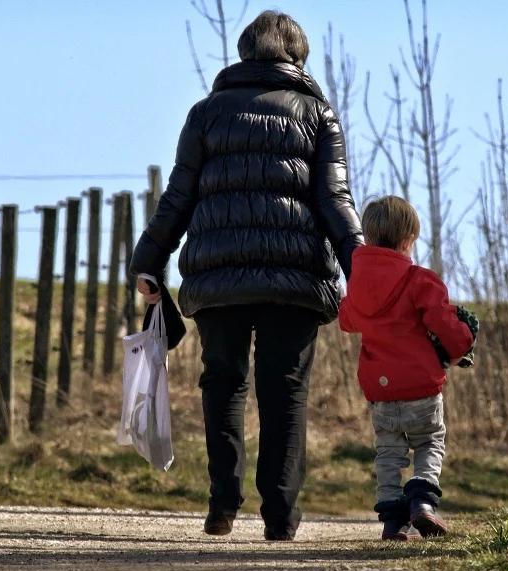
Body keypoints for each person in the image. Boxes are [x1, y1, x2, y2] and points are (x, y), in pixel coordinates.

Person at [129, 10, 363, 541]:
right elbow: (334, 200)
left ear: (243, 53)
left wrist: (149, 262)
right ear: (297, 57)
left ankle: (222, 505)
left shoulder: (205, 114)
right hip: (295, 281)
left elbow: (178, 198)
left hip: (220, 278)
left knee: (223, 384)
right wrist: (362, 266)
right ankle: (279, 516)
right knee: (285, 392)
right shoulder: (318, 115)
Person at [337, 196, 475, 541]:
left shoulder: (359, 285)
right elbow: (444, 325)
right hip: (420, 386)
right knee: (429, 441)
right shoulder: (419, 280)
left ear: (367, 239)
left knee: (388, 451)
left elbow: (347, 320)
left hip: (381, 392)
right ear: (407, 241)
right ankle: (423, 503)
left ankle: (392, 520)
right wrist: (464, 338)